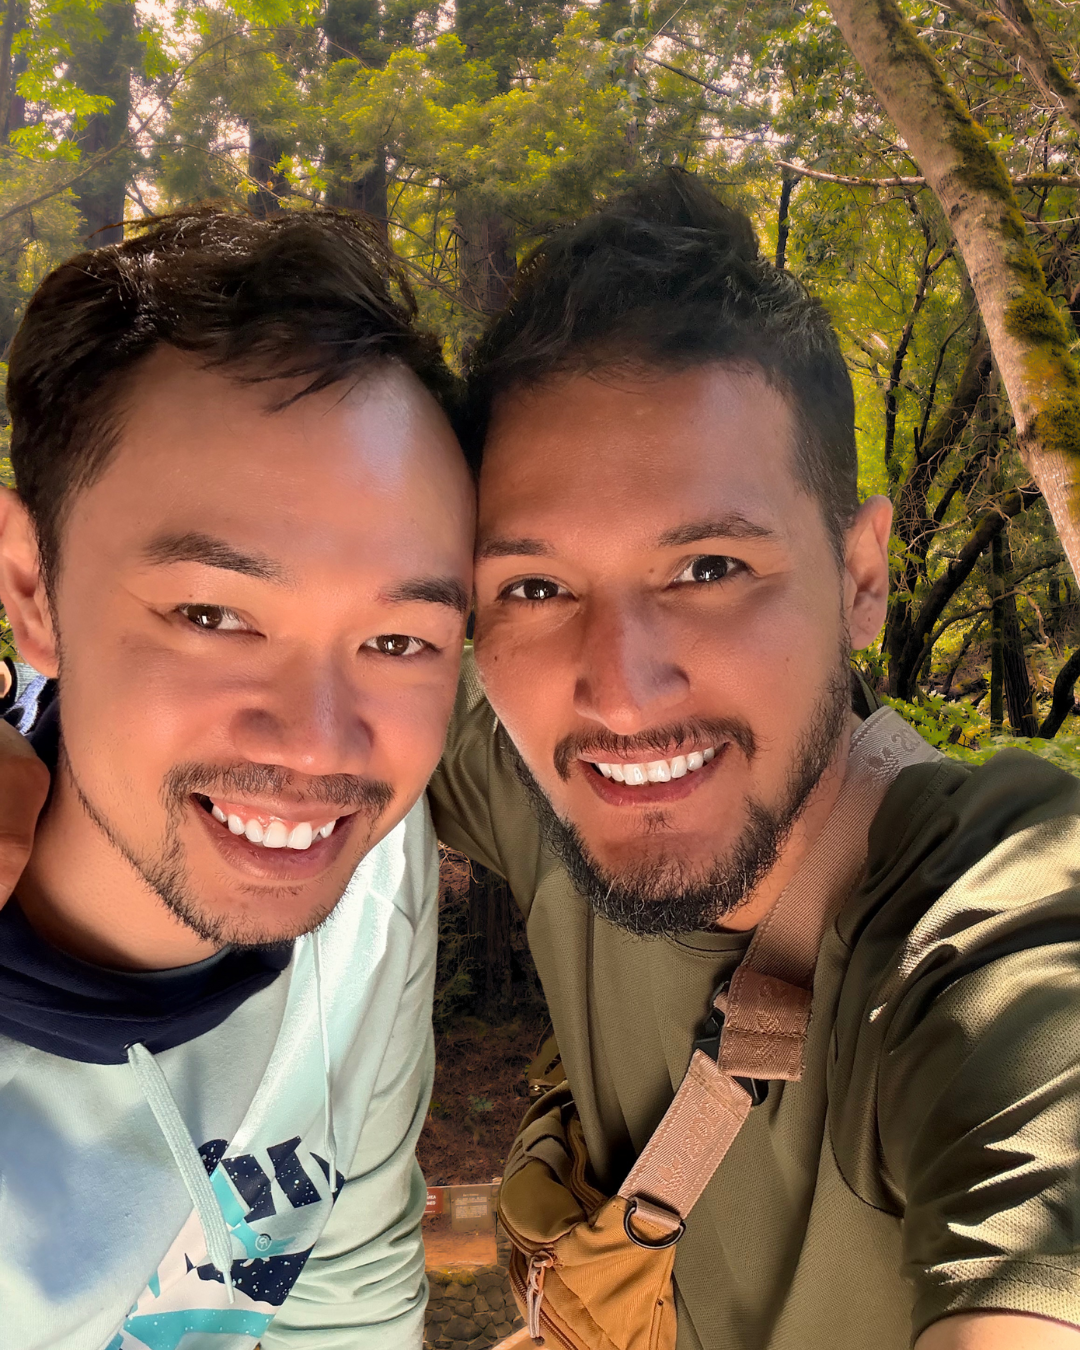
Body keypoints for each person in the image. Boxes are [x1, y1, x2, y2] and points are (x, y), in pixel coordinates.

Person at [426, 174, 1080, 1348]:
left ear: (862, 576)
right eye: (535, 586)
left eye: (710, 569)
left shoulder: (992, 926)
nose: (621, 691)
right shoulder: (532, 784)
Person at [0, 209, 474, 1349]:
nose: (319, 748)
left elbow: (346, 1288)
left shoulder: (369, 886)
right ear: (29, 587)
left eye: (400, 641)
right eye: (214, 614)